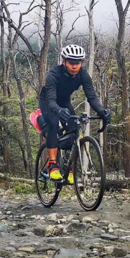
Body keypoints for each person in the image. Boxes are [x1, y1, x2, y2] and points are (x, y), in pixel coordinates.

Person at [38, 44, 111, 182]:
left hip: (64, 102)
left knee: (74, 128)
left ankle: (68, 165)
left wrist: (102, 111)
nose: (74, 66)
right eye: (71, 62)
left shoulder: (83, 75)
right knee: (53, 123)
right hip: (48, 101)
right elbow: (51, 100)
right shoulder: (53, 74)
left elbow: (92, 97)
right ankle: (52, 164)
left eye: (78, 63)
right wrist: (58, 110)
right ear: (64, 61)